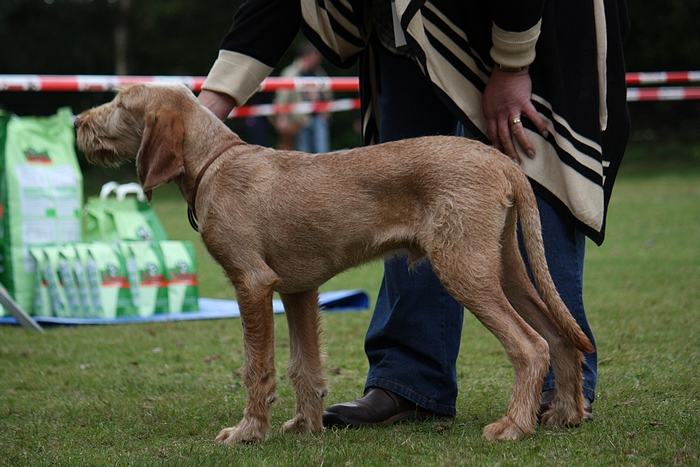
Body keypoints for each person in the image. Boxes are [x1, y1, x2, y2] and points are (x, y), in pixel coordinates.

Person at [198, 0, 630, 427]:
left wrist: (514, 64)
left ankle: (553, 381)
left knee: (533, 171)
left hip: (538, 22)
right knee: (500, 274)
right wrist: (208, 113)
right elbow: (271, 8)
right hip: (405, 30)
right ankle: (411, 381)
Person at [270, 41, 332, 152]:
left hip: (318, 117)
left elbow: (328, 93)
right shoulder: (290, 73)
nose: (319, 59)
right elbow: (282, 97)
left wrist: (325, 108)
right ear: (307, 55)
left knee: (323, 153)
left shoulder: (319, 72)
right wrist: (281, 117)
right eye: (316, 56)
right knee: (303, 153)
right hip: (299, 120)